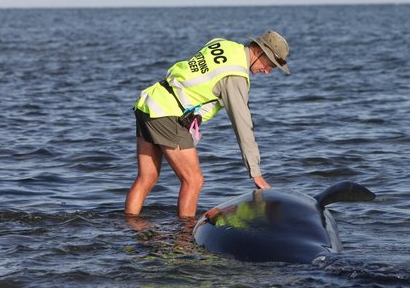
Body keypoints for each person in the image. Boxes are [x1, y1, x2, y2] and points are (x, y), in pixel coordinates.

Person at [124, 30, 290, 218]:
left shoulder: (223, 44)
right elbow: (243, 126)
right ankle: (185, 240)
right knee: (193, 181)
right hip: (168, 114)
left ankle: (129, 228)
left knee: (147, 177)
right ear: (259, 51)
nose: (268, 71)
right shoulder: (236, 77)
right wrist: (256, 173)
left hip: (149, 103)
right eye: (270, 65)